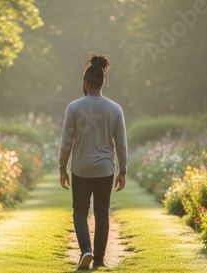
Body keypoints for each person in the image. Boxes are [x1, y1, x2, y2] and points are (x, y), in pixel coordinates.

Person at [59, 52, 127, 270]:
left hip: (81, 169)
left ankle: (85, 250)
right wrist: (123, 171)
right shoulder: (115, 109)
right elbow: (121, 144)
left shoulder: (74, 107)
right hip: (105, 169)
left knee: (80, 211)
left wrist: (62, 167)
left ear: (86, 82)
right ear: (102, 83)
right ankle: (98, 259)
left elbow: (66, 142)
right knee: (102, 214)